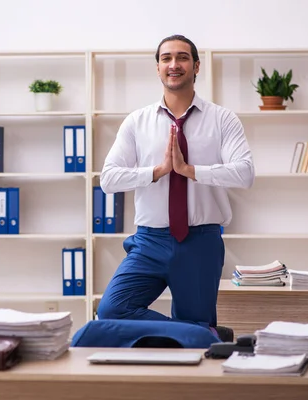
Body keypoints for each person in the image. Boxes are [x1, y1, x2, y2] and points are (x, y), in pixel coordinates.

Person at [96, 34, 255, 337]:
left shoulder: (223, 120)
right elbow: (109, 179)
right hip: (149, 242)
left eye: (182, 57)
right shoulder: (136, 122)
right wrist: (157, 172)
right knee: (112, 309)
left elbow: (245, 174)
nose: (174, 64)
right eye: (166, 58)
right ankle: (204, 333)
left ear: (196, 66)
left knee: (193, 333)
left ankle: (198, 335)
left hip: (200, 241)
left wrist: (190, 171)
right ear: (157, 68)